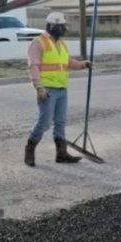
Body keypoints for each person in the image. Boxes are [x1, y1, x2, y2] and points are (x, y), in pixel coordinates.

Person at [24, 12, 91, 167]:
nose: (62, 29)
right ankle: (30, 149)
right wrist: (39, 87)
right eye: (60, 26)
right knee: (44, 123)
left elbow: (66, 62)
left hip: (62, 88)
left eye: (63, 26)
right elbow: (33, 66)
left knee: (60, 122)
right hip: (47, 89)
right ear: (51, 26)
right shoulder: (38, 43)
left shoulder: (61, 43)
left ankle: (61, 154)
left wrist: (82, 64)